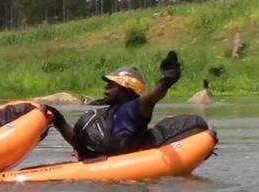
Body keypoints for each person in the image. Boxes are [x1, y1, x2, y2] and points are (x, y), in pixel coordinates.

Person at [47, 51, 182, 158]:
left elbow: (153, 97)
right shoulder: (103, 116)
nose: (106, 88)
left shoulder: (136, 109)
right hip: (99, 167)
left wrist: (167, 81)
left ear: (127, 90)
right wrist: (59, 121)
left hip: (128, 167)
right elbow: (77, 142)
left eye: (112, 85)